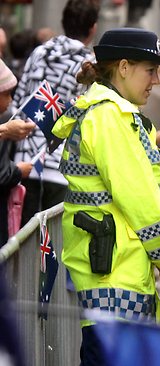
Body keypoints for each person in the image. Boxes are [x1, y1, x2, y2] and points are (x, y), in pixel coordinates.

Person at [51, 27, 160, 365]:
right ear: (123, 67)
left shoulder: (108, 114)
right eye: (150, 71)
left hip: (113, 274)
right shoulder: (109, 118)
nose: (156, 81)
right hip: (116, 278)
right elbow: (143, 203)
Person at [12, 0, 100, 227]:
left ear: (63, 22)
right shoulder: (90, 65)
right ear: (93, 28)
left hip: (25, 162)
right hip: (63, 167)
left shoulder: (39, 53)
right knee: (51, 246)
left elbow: (19, 101)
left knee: (23, 241)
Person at [0, 59, 35, 245]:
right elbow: (2, 174)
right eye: (6, 94)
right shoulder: (4, 120)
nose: (11, 100)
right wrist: (19, 171)